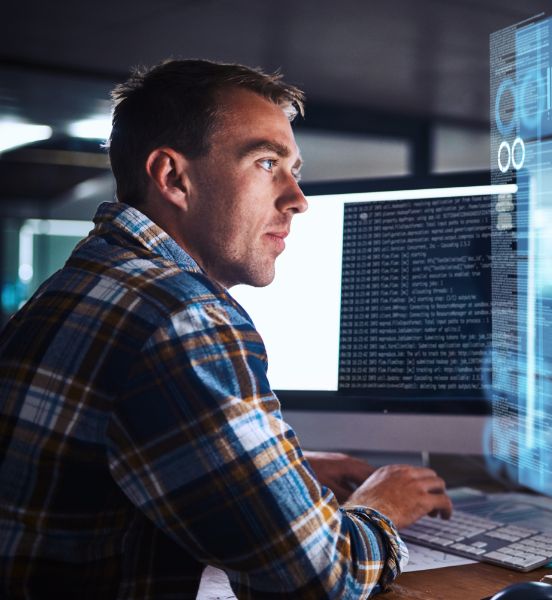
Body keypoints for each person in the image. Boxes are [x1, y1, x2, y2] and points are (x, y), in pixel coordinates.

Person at [0, 59, 452, 599]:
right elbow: (316, 580)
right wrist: (381, 506)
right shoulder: (181, 315)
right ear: (173, 178)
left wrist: (277, 476)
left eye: (295, 169)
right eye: (266, 162)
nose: (297, 199)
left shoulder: (87, 280)